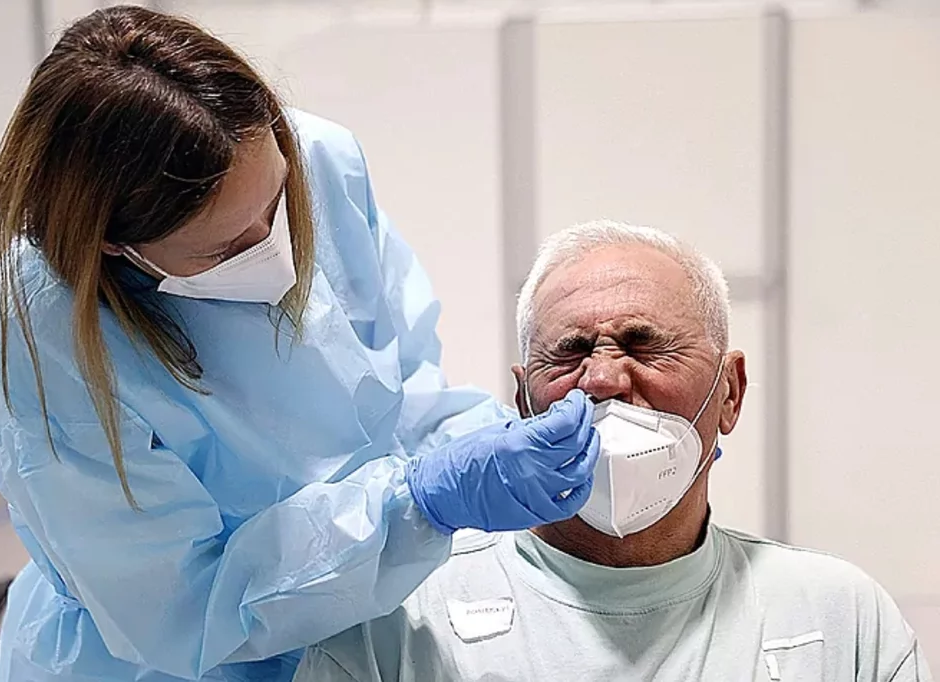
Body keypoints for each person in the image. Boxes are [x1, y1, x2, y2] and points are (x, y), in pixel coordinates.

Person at [0, 7, 600, 682]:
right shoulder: (42, 332)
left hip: (364, 623)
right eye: (226, 246)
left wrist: (499, 446)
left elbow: (402, 391)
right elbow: (181, 609)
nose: (275, 250)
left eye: (277, 205)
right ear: (113, 243)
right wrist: (415, 505)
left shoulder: (318, 159)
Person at [294, 220, 931, 682]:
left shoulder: (836, 615)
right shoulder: (400, 618)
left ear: (730, 392)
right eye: (570, 351)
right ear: (522, 401)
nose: (602, 380)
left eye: (643, 344)